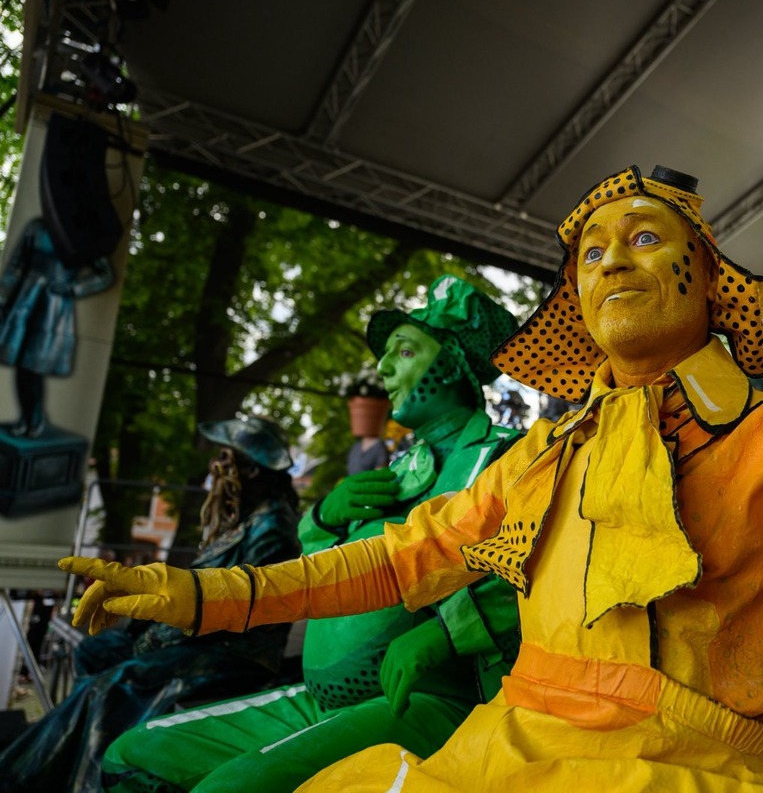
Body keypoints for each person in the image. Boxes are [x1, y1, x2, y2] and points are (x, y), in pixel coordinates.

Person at [60, 75, 763, 791]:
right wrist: (199, 596)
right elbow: (402, 558)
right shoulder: (541, 455)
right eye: (593, 248)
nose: (612, 255)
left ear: (711, 286)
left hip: (699, 774)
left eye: (649, 238)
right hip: (494, 753)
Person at [100, 276, 523, 792]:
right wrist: (322, 519)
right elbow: (332, 567)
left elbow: (549, 570)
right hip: (317, 695)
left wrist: (448, 633)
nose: (384, 369)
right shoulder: (400, 467)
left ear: (455, 360)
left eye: (404, 351)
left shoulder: (510, 456)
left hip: (432, 698)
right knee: (131, 755)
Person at [0, 416, 302, 792]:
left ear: (252, 469)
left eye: (226, 457)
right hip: (199, 636)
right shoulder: (243, 521)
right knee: (95, 652)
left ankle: (69, 777)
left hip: (232, 652)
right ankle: (73, 754)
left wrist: (162, 631)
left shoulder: (271, 529)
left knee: (116, 683)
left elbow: (240, 608)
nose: (216, 466)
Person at [0, 217, 116, 438]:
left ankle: (34, 418)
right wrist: (3, 298)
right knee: (22, 363)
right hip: (25, 300)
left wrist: (74, 287)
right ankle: (26, 418)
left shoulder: (82, 233)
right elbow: (16, 264)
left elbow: (104, 275)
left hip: (52, 308)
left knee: (34, 364)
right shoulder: (37, 227)